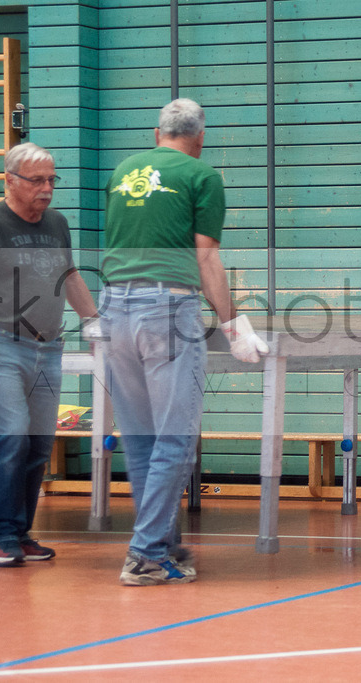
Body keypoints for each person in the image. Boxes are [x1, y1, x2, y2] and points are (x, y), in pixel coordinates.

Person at [100, 98, 268, 586]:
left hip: (113, 308)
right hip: (165, 312)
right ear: (199, 139)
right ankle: (146, 553)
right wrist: (233, 324)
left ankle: (165, 543)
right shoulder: (202, 176)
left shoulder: (123, 171)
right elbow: (206, 260)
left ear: (158, 134)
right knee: (174, 439)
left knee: (141, 440)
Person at [0, 142, 98, 566]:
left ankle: (23, 531)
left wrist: (95, 322)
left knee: (39, 444)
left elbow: (69, 276)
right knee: (12, 439)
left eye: (51, 180)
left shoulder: (58, 223)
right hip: (4, 346)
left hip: (50, 349)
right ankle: (2, 535)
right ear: (10, 180)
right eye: (37, 181)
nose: (47, 189)